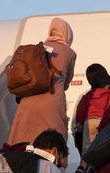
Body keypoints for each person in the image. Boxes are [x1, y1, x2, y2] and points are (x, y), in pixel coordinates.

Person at [7, 18, 77, 146]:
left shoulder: (37, 49)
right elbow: (66, 84)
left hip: (28, 100)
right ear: (67, 33)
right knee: (53, 142)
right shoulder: (69, 53)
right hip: (52, 100)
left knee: (23, 142)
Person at [72, 63, 110, 173]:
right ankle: (100, 167)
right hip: (102, 122)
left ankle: (82, 166)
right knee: (102, 146)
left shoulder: (88, 95)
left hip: (89, 121)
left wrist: (79, 122)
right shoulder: (109, 96)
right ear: (107, 85)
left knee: (87, 146)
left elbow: (82, 109)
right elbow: (109, 109)